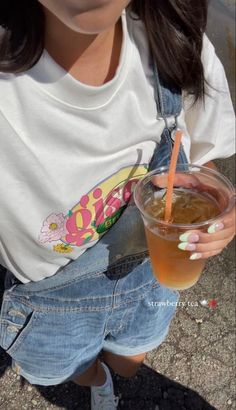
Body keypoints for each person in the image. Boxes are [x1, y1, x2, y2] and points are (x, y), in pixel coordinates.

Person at [0, 1, 235, 409]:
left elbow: (202, 160)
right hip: (49, 305)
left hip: (150, 281)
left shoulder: (175, 44)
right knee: (73, 369)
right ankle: (96, 380)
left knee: (131, 355)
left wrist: (218, 214)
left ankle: (109, 377)